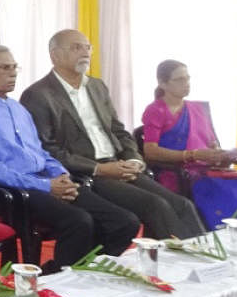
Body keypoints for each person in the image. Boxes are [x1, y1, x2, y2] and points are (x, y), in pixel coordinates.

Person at [0, 45, 139, 270]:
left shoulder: (18, 109)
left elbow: (41, 153)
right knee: (79, 221)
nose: (12, 73)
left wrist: (62, 176)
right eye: (5, 67)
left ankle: (76, 270)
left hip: (44, 181)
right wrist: (45, 185)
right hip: (8, 193)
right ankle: (61, 278)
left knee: (124, 221)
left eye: (14, 67)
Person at [19, 29, 204, 239]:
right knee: (156, 205)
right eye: (76, 47)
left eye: (87, 47)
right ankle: (183, 266)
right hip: (86, 173)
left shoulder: (97, 86)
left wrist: (133, 158)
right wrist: (100, 168)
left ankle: (208, 261)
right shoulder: (38, 95)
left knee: (182, 204)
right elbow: (47, 149)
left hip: (119, 165)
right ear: (55, 55)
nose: (85, 52)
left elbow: (118, 130)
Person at [141, 59, 237, 229]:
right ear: (162, 83)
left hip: (208, 169)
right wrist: (191, 155)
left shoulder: (197, 109)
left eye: (188, 78)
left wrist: (219, 155)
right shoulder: (156, 110)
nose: (186, 84)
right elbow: (150, 151)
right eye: (180, 80)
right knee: (228, 192)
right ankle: (219, 239)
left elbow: (210, 143)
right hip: (178, 173)